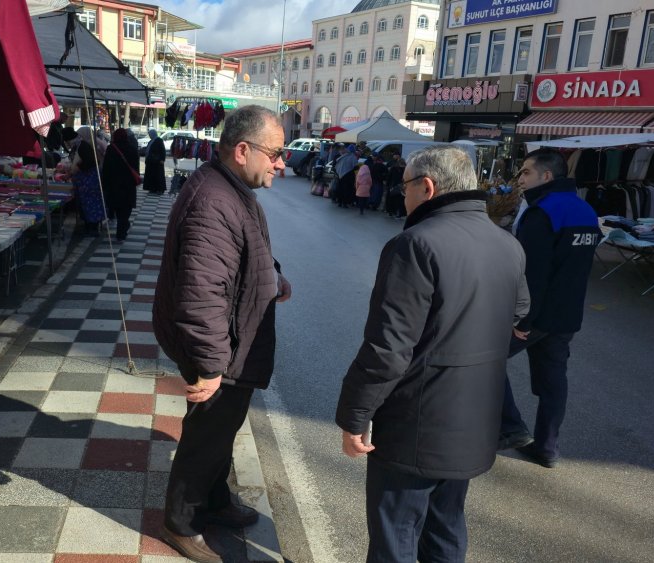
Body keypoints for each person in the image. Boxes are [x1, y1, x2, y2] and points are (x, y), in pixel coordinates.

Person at [335, 145, 529, 563]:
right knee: (446, 529)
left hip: (415, 426)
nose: (401, 194)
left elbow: (388, 348)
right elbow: (519, 312)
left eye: (405, 186)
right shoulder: (506, 243)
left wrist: (355, 416)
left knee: (395, 538)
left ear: (427, 187)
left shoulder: (414, 244)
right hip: (475, 419)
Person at [153, 105, 292, 563]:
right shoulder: (214, 201)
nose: (281, 164)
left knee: (221, 430)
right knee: (206, 436)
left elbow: (243, 254)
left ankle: (214, 500)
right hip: (219, 348)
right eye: (275, 153)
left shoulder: (229, 189)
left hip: (231, 341)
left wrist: (273, 278)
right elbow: (201, 294)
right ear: (242, 150)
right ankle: (181, 523)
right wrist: (211, 366)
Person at [498, 148, 602, 468]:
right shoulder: (586, 211)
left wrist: (523, 320)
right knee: (554, 382)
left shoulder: (542, 212)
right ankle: (547, 447)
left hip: (537, 315)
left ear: (546, 176)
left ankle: (512, 428)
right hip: (566, 316)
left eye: (526, 172)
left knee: (485, 360)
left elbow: (533, 274)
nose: (521, 179)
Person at [100, 128, 140, 241]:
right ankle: (122, 230)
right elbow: (136, 168)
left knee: (118, 208)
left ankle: (122, 229)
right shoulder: (132, 149)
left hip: (114, 185)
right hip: (128, 185)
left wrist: (105, 183)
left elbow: (106, 168)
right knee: (126, 209)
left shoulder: (111, 148)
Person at [70, 141, 106, 235]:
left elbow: (77, 174)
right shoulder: (94, 165)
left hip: (87, 191)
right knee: (94, 208)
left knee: (88, 208)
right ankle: (93, 228)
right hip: (94, 190)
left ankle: (91, 228)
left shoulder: (84, 166)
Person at [144, 129, 167, 194]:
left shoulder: (159, 140)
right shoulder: (151, 141)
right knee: (152, 175)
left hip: (158, 161)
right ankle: (153, 189)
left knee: (159, 176)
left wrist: (162, 159)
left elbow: (162, 150)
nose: (149, 135)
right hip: (151, 161)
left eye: (150, 134)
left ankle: (160, 189)